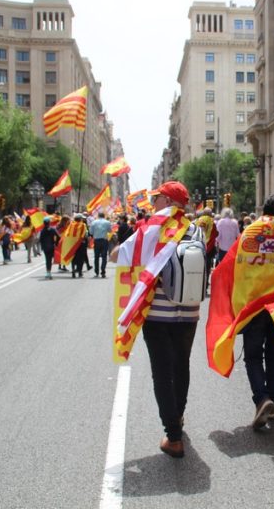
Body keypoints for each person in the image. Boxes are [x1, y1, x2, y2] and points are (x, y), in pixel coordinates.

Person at [206, 194, 274, 430]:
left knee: (253, 356)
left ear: (264, 211)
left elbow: (230, 265)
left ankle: (261, 398)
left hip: (252, 307)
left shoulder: (249, 233)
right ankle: (271, 399)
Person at [110, 181, 196, 458]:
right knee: (181, 365)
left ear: (167, 201)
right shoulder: (196, 230)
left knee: (162, 371)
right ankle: (178, 417)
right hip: (189, 311)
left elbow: (116, 256)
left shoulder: (151, 229)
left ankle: (173, 437)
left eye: (156, 197)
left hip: (158, 314)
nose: (153, 202)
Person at [90, 211, 112, 278]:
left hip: (96, 241)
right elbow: (109, 231)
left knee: (96, 257)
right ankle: (103, 271)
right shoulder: (107, 222)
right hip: (104, 240)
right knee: (104, 256)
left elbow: (91, 232)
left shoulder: (94, 222)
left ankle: (96, 271)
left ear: (98, 216)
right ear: (104, 216)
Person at [71, 214, 88, 278]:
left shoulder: (71, 225)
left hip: (73, 244)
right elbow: (86, 234)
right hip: (81, 243)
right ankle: (80, 272)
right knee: (81, 258)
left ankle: (73, 270)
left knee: (73, 257)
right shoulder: (83, 225)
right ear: (80, 219)